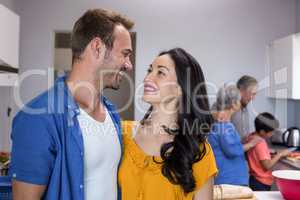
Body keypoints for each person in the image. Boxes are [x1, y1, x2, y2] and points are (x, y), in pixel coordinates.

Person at [9, 9, 134, 200]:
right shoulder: (38, 117)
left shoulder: (112, 113)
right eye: (125, 54)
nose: (129, 65)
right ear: (97, 47)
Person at [119, 48, 218, 200]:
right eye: (149, 70)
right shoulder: (122, 133)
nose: (147, 78)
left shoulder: (198, 151)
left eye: (160, 73)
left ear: (180, 88)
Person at [208, 85, 259, 186]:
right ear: (234, 103)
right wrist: (251, 144)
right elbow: (232, 150)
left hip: (226, 178)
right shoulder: (225, 126)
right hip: (230, 180)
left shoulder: (220, 123)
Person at [246, 112, 290, 191]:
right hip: (261, 182)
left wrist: (269, 154)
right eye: (271, 132)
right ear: (262, 132)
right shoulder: (261, 143)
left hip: (254, 179)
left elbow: (257, 156)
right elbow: (267, 166)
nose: (273, 134)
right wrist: (280, 154)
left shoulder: (251, 137)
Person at [231, 75, 258, 141]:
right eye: (252, 94)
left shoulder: (245, 108)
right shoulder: (228, 110)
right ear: (241, 91)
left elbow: (243, 137)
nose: (253, 98)